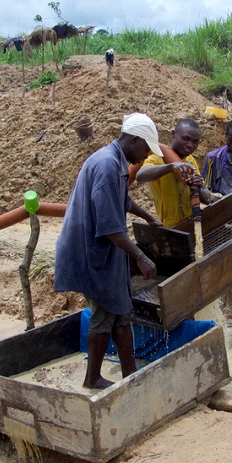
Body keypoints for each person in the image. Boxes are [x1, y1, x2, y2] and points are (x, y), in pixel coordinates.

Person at [54, 112, 162, 389]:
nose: (146, 156)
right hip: (91, 249)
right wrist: (140, 255)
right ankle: (92, 378)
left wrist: (149, 217)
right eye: (146, 149)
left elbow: (123, 200)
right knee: (105, 311)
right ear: (134, 139)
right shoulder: (106, 165)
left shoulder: (115, 162)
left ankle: (130, 373)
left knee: (121, 309)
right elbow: (109, 227)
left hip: (104, 248)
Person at [135, 118, 213, 227]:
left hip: (190, 223)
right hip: (170, 227)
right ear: (173, 134)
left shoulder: (190, 160)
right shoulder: (157, 159)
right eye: (186, 139)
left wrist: (200, 187)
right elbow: (140, 176)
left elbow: (207, 198)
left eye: (195, 142)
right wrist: (172, 166)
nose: (190, 145)